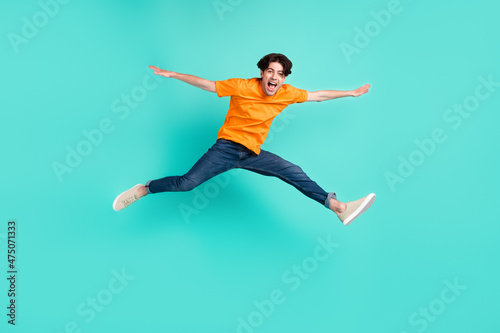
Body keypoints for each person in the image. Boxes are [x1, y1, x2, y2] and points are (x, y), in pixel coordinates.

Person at [113, 53, 375, 226]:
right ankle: (145, 189)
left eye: (280, 74)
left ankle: (339, 207)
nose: (274, 77)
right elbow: (208, 85)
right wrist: (174, 75)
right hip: (226, 149)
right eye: (270, 71)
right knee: (186, 184)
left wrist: (351, 93)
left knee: (293, 172)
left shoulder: (287, 93)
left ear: (284, 79)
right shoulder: (242, 86)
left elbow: (318, 95)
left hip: (252, 153)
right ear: (262, 72)